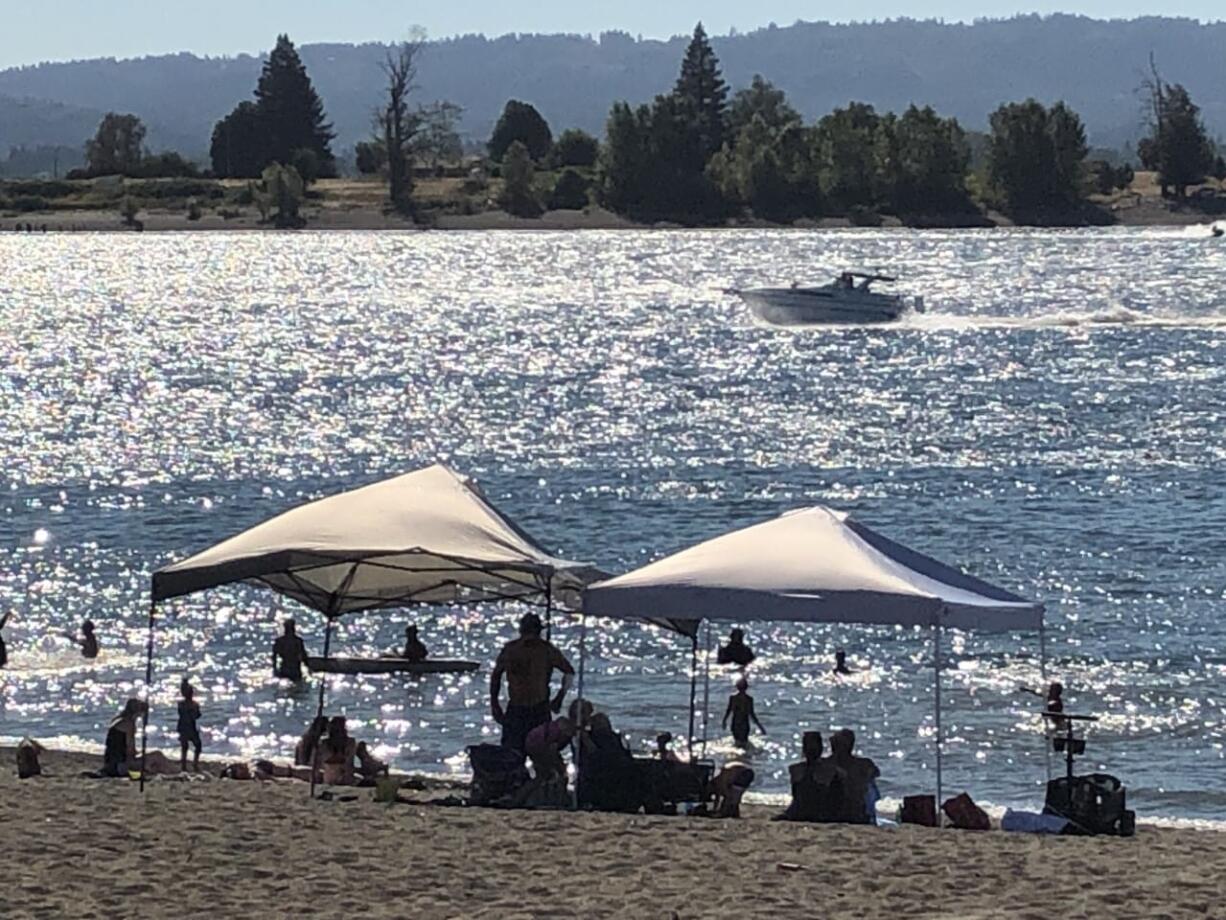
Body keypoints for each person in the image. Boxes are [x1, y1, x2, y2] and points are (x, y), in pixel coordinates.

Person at [490, 612, 575, 752]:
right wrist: (494, 704)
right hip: (520, 708)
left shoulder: (544, 650)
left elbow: (569, 672)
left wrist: (559, 697)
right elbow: (496, 676)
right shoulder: (514, 650)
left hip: (537, 708)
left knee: (538, 753)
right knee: (515, 752)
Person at [778, 732, 838, 822]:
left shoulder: (795, 769)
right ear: (820, 749)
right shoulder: (831, 771)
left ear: (804, 749)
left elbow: (796, 796)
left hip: (799, 811)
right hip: (820, 813)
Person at [828, 729, 880, 824]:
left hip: (831, 814)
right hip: (857, 814)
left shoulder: (826, 764)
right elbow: (875, 772)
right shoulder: (864, 764)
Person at [722, 677, 766, 748]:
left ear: (737, 687)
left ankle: (738, 757)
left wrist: (724, 721)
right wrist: (760, 727)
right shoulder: (749, 699)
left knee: (737, 743)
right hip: (744, 725)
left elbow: (728, 711)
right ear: (746, 687)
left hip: (735, 724)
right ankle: (744, 757)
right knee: (744, 744)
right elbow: (752, 715)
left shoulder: (733, 698)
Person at [318, 715, 357, 785]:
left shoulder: (350, 742)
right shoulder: (325, 743)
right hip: (332, 776)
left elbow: (348, 760)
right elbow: (327, 759)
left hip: (344, 776)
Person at [177, 679, 202, 772]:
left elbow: (197, 715)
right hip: (189, 727)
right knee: (194, 745)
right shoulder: (191, 705)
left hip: (185, 727)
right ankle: (192, 764)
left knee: (186, 747)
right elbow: (197, 715)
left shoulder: (182, 705)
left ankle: (187, 765)